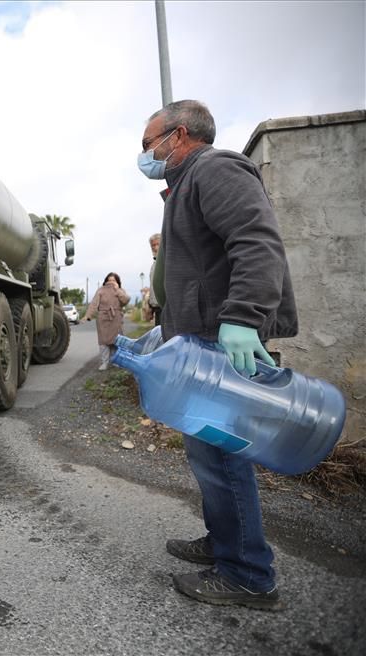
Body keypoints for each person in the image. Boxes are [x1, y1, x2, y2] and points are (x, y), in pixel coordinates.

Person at [139, 99, 297, 609]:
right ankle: (224, 544)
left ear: (178, 135)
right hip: (197, 342)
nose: (145, 155)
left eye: (149, 144)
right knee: (206, 455)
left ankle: (250, 574)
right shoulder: (186, 184)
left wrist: (243, 317)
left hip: (219, 342)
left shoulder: (217, 168)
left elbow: (256, 242)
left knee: (223, 458)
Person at [83, 273, 130, 370]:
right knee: (103, 341)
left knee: (116, 340)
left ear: (117, 282)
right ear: (105, 281)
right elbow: (94, 304)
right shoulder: (100, 290)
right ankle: (104, 362)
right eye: (109, 280)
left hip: (116, 317)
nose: (111, 282)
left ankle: (115, 361)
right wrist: (88, 315)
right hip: (103, 317)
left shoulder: (120, 291)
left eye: (114, 280)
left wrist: (117, 290)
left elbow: (125, 301)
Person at [147, 233, 162, 326]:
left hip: (166, 307)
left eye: (158, 244)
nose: (155, 247)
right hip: (157, 308)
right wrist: (150, 306)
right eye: (153, 245)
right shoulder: (154, 264)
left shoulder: (167, 261)